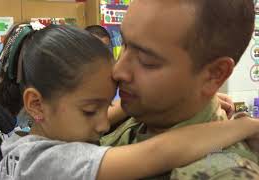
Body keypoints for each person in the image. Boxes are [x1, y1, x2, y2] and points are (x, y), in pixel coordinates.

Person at [0, 23, 259, 180]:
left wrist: (197, 98)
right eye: (90, 111)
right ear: (36, 104)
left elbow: (112, 114)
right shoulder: (48, 162)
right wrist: (246, 126)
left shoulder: (26, 146)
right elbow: (159, 153)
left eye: (105, 106)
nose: (103, 123)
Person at [100, 0, 259, 179]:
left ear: (214, 74)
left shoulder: (225, 173)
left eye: (146, 61)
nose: (118, 71)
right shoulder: (138, 113)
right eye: (125, 44)